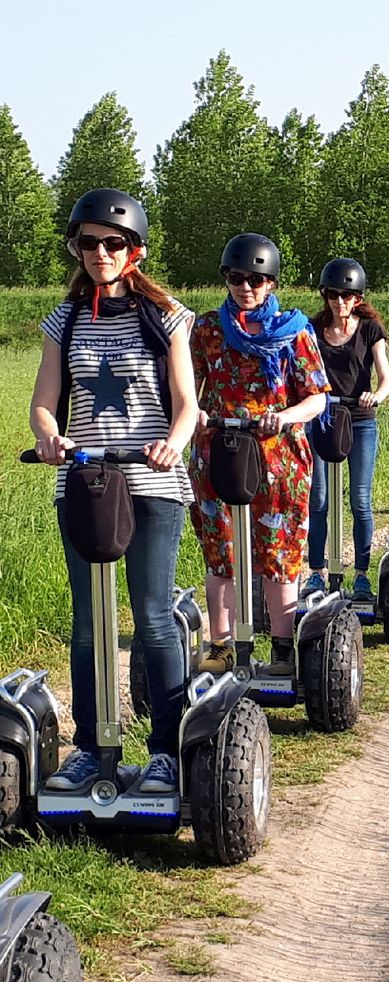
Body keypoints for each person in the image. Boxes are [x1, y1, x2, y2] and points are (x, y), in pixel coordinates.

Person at [29, 188, 198, 793]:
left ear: (135, 250)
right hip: (84, 482)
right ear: (76, 248)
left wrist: (172, 443)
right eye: (89, 243)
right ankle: (90, 747)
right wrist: (50, 437)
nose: (100, 252)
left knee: (151, 616)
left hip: (151, 481)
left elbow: (187, 405)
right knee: (87, 622)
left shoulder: (168, 316)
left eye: (113, 243)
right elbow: (44, 403)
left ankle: (166, 752)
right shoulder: (66, 320)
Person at [188, 234, 329, 676]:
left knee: (278, 552)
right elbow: (187, 388)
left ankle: (283, 651)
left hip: (278, 458)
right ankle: (222, 648)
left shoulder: (294, 331)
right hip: (219, 452)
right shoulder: (208, 329)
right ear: (226, 278)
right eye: (236, 278)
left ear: (270, 283)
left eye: (256, 280)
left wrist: (283, 417)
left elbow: (317, 398)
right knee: (221, 551)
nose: (245, 288)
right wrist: (193, 414)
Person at [302, 259, 389, 601]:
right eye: (333, 295)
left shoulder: (370, 330)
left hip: (360, 419)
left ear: (357, 298)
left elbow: (385, 378)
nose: (339, 301)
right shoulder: (312, 329)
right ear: (325, 296)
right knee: (319, 499)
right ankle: (316, 573)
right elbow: (301, 370)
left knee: (360, 499)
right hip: (322, 418)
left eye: (346, 295)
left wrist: (375, 396)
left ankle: (361, 577)